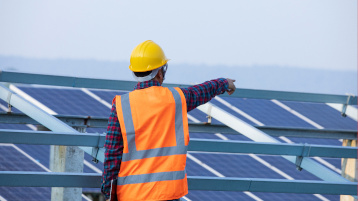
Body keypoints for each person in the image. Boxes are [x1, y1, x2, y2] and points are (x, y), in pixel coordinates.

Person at [101, 40, 236, 201]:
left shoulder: (121, 105)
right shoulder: (176, 98)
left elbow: (112, 153)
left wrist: (107, 191)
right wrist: (224, 83)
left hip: (132, 195)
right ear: (159, 73)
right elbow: (201, 91)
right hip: (168, 194)